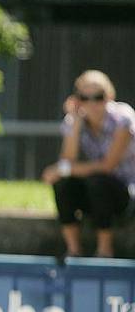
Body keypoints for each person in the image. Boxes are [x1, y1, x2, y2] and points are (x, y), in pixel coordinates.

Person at [42, 70, 135, 258]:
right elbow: (66, 160)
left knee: (97, 182)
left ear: (109, 96)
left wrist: (64, 169)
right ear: (77, 100)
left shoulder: (123, 118)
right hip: (96, 199)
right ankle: (73, 250)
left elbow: (108, 166)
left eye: (98, 97)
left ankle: (105, 251)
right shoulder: (75, 121)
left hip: (125, 197)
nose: (92, 103)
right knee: (63, 185)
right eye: (85, 97)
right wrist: (75, 122)